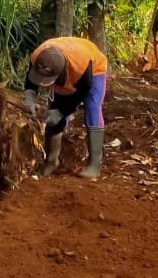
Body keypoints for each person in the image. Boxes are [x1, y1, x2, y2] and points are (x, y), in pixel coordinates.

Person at [21, 37, 108, 179]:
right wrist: (29, 99)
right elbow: (31, 80)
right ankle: (51, 162)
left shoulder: (81, 67)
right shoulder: (38, 56)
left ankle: (94, 164)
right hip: (68, 65)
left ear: (59, 72)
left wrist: (61, 112)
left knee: (92, 109)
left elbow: (79, 95)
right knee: (54, 112)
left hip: (94, 67)